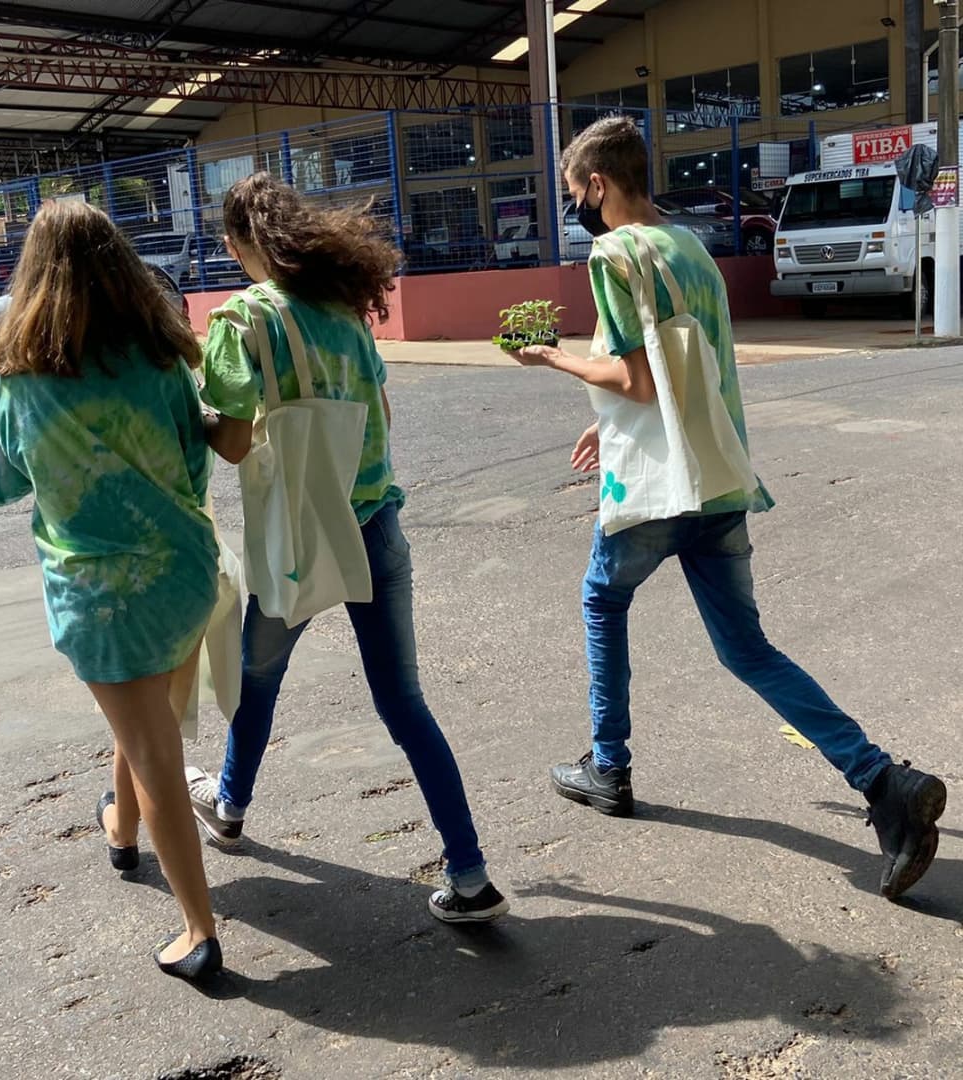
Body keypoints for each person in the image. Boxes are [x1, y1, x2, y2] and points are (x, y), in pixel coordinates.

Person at [506, 117, 946, 901]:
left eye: (576, 194)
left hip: (658, 488)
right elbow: (688, 368)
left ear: (598, 184)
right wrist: (610, 420)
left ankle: (609, 767)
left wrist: (553, 359)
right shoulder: (691, 248)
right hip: (718, 475)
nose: (577, 210)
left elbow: (639, 380)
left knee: (602, 601)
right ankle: (883, 782)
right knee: (747, 650)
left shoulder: (615, 255)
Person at [185, 172, 508, 923]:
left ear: (237, 244)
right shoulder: (347, 312)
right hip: (375, 524)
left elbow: (232, 444)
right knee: (404, 703)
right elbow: (378, 413)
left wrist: (193, 414)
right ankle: (469, 874)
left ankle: (230, 807)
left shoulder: (243, 320)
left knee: (257, 680)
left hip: (299, 535)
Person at [0, 200, 223, 979]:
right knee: (145, 717)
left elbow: (4, 482)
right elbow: (193, 463)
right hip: (185, 571)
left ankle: (199, 931)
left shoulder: (16, 384)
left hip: (100, 596)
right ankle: (121, 829)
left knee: (152, 746)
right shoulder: (162, 362)